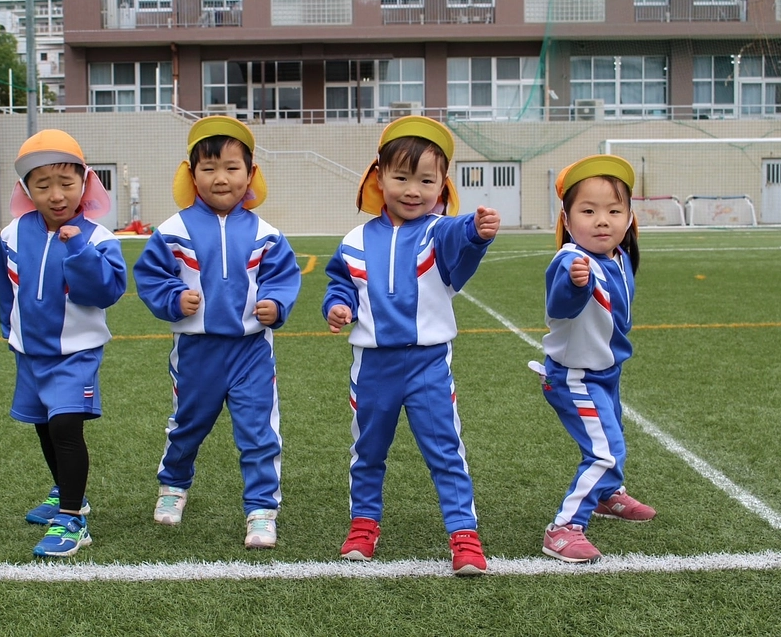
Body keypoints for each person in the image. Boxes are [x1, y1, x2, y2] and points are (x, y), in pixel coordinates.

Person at [322, 116, 500, 576]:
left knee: (445, 448)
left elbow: (459, 236)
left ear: (442, 185)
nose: (413, 190)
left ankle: (463, 533)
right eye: (401, 177)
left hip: (428, 365)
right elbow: (339, 283)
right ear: (378, 177)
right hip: (373, 366)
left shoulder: (437, 231)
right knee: (368, 450)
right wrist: (336, 307)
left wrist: (477, 230)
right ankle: (364, 523)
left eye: (426, 180)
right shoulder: (354, 240)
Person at [133, 116, 301, 549]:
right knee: (187, 424)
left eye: (231, 167)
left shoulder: (267, 234)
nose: (220, 178)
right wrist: (174, 298)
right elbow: (151, 276)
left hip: (251, 352)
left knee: (259, 431)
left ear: (250, 175)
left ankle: (261, 510)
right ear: (191, 175)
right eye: (208, 169)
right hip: (195, 351)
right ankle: (173, 486)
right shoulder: (173, 230)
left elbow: (282, 277)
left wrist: (276, 304)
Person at [0, 129, 128, 558]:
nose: (56, 195)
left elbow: (107, 292)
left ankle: (73, 518)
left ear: (85, 184)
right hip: (29, 353)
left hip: (76, 354)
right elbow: (6, 289)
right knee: (42, 425)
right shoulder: (12, 234)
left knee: (65, 426)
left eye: (66, 184)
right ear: (26, 189)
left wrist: (80, 252)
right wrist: (10, 332)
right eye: (43, 184)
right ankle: (68, 492)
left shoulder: (99, 238)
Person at [529, 154, 656, 565]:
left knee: (614, 437)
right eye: (588, 211)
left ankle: (605, 495)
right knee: (604, 451)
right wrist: (575, 286)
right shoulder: (571, 262)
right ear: (566, 219)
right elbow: (560, 305)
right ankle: (564, 528)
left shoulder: (617, 257)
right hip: (575, 376)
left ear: (629, 216)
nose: (603, 220)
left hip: (606, 372)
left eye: (614, 210)